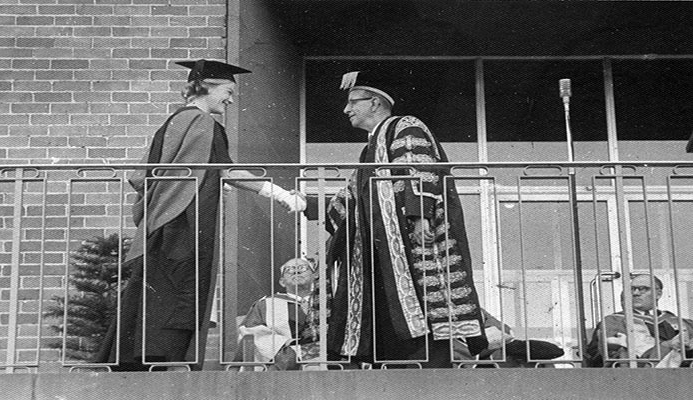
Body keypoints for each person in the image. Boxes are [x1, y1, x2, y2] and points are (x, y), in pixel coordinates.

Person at [95, 59, 306, 370]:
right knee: (180, 300)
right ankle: (163, 369)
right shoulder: (203, 124)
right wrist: (279, 193)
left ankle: (134, 368)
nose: (232, 99)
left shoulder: (173, 122)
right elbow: (227, 169)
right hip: (184, 227)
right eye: (228, 91)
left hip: (162, 225)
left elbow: (143, 177)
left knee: (152, 302)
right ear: (205, 87)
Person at [315, 69, 488, 369]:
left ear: (375, 103)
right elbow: (351, 196)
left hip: (411, 239)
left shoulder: (404, 125)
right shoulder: (370, 147)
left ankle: (430, 371)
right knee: (391, 309)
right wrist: (297, 201)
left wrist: (420, 216)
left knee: (425, 303)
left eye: (353, 102)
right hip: (384, 248)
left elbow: (417, 168)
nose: (346, 109)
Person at [586, 273, 693, 368]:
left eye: (642, 288)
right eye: (632, 289)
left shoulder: (679, 322)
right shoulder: (613, 321)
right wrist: (667, 345)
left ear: (658, 294)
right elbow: (614, 356)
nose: (636, 293)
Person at [233, 258, 321, 370]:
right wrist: (285, 345)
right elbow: (249, 331)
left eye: (302, 268)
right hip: (282, 359)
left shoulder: (327, 302)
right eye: (289, 270)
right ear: (282, 282)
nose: (296, 272)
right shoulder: (266, 304)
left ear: (314, 276)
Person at [452, 309, 564, 368]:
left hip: (496, 354)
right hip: (481, 361)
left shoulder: (475, 311)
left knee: (539, 358)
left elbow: (504, 330)